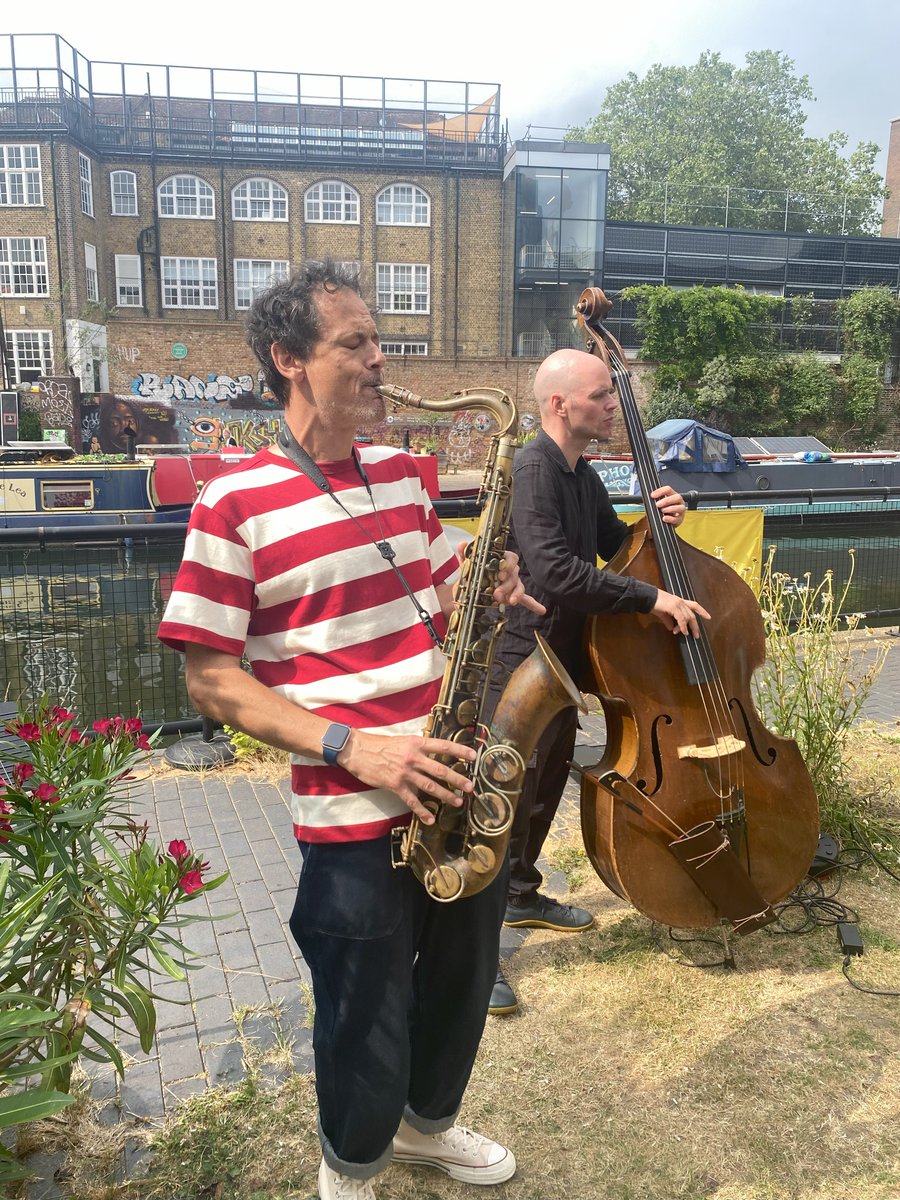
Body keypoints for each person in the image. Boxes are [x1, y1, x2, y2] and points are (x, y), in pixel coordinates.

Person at [157, 261, 542, 1200]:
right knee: (362, 1007)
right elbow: (210, 680)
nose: (380, 361)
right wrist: (352, 745)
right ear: (288, 358)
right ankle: (352, 1165)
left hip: (454, 775)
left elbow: (444, 596)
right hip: (349, 801)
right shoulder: (232, 502)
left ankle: (423, 1127)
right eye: (355, 343)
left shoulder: (403, 477)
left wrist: (489, 581)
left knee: (461, 979)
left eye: (379, 341)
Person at [488, 347, 710, 1016]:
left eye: (613, 396)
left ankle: (520, 896)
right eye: (601, 396)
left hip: (561, 658)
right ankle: (473, 956)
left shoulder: (580, 473)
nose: (614, 406)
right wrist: (653, 600)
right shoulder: (535, 469)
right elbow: (556, 572)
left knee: (542, 789)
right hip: (522, 656)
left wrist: (657, 520)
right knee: (500, 804)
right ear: (561, 405)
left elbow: (615, 547)